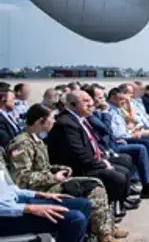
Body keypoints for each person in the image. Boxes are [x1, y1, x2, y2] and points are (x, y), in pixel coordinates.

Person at [6, 103, 128, 241]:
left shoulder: (37, 140)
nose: (54, 121)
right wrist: (53, 177)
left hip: (46, 183)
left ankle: (104, 230)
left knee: (95, 183)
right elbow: (22, 178)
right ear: (41, 121)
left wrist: (59, 168)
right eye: (51, 118)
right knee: (93, 189)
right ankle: (101, 234)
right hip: (37, 189)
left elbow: (43, 166)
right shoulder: (22, 144)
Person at [45, 91, 138, 213]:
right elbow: (79, 156)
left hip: (90, 160)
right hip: (76, 168)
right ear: (73, 105)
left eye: (90, 100)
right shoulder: (66, 124)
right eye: (85, 101)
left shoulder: (80, 119)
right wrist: (102, 164)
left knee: (124, 167)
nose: (91, 104)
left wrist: (102, 159)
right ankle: (108, 213)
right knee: (117, 177)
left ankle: (117, 206)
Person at [0, 148, 92, 242]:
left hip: (15, 203)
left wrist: (40, 194)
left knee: (84, 204)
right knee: (75, 219)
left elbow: (10, 190)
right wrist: (30, 208)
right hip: (6, 213)